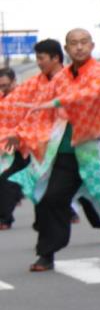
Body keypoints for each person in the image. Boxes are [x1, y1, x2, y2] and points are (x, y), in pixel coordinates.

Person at [7, 29, 100, 272]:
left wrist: (57, 102)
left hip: (99, 148)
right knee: (50, 199)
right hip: (67, 150)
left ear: (92, 45)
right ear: (67, 48)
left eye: (83, 42)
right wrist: (19, 131)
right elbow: (40, 111)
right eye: (73, 43)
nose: (79, 47)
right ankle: (47, 253)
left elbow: (91, 94)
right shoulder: (60, 79)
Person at [0, 40, 65, 229]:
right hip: (27, 142)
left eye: (41, 58)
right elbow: (12, 107)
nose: (38, 62)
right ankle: (13, 219)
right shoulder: (33, 85)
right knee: (23, 180)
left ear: (55, 58)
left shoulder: (71, 79)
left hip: (69, 141)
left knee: (85, 183)